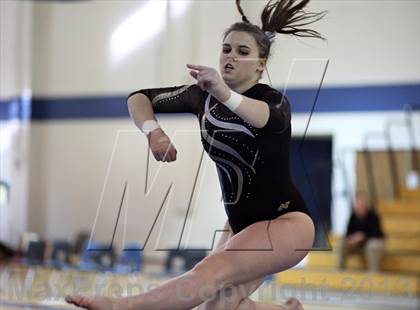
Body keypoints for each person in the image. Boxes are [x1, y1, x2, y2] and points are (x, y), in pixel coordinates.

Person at [66, 0, 327, 309]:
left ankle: (122, 306)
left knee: (207, 274)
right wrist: (154, 131)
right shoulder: (201, 97)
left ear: (261, 64)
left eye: (242, 52)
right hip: (241, 226)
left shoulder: (272, 101)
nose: (230, 57)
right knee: (217, 307)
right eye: (226, 49)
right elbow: (138, 98)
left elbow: (265, 118)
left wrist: (223, 93)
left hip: (286, 224)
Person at [338, 191, 386, 272]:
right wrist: (352, 239)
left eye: (362, 205)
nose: (360, 207)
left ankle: (373, 272)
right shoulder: (353, 216)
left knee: (372, 246)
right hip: (359, 244)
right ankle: (340, 270)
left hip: (373, 241)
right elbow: (348, 233)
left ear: (366, 205)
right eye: (358, 205)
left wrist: (363, 236)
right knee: (344, 243)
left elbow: (377, 233)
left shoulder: (373, 215)